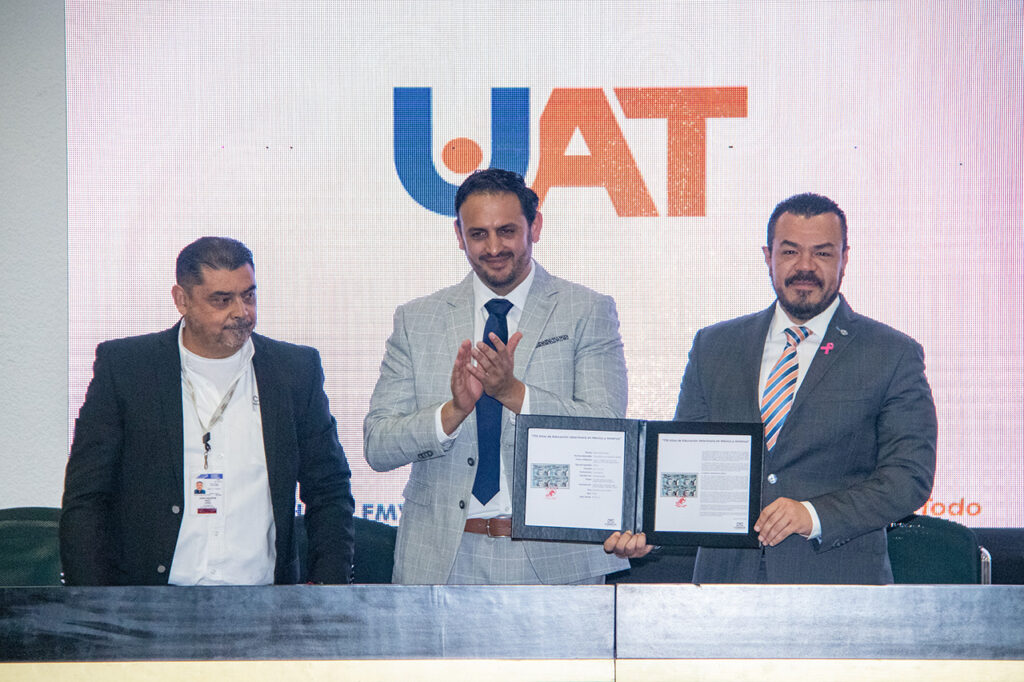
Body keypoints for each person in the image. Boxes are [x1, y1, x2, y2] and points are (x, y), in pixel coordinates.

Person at [609, 193, 937, 583]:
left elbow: (909, 477)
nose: (805, 267)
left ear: (845, 258)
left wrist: (813, 515)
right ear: (768, 256)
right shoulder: (714, 346)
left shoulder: (891, 353)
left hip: (839, 586)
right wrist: (651, 530)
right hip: (723, 586)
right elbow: (686, 461)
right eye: (790, 251)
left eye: (822, 253)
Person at [364, 168, 629, 584]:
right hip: (441, 561)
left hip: (555, 561)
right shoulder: (417, 320)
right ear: (458, 234)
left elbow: (610, 428)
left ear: (534, 226)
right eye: (478, 234)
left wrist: (513, 392)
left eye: (506, 231)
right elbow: (378, 446)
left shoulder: (586, 311)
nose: (492, 248)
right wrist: (452, 412)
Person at [61, 237, 355, 586]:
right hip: (149, 603)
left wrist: (328, 591)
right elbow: (87, 497)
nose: (241, 312)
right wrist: (94, 605)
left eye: (248, 295)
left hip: (263, 602)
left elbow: (329, 489)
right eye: (221, 300)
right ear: (181, 300)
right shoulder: (127, 368)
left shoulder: (294, 371)